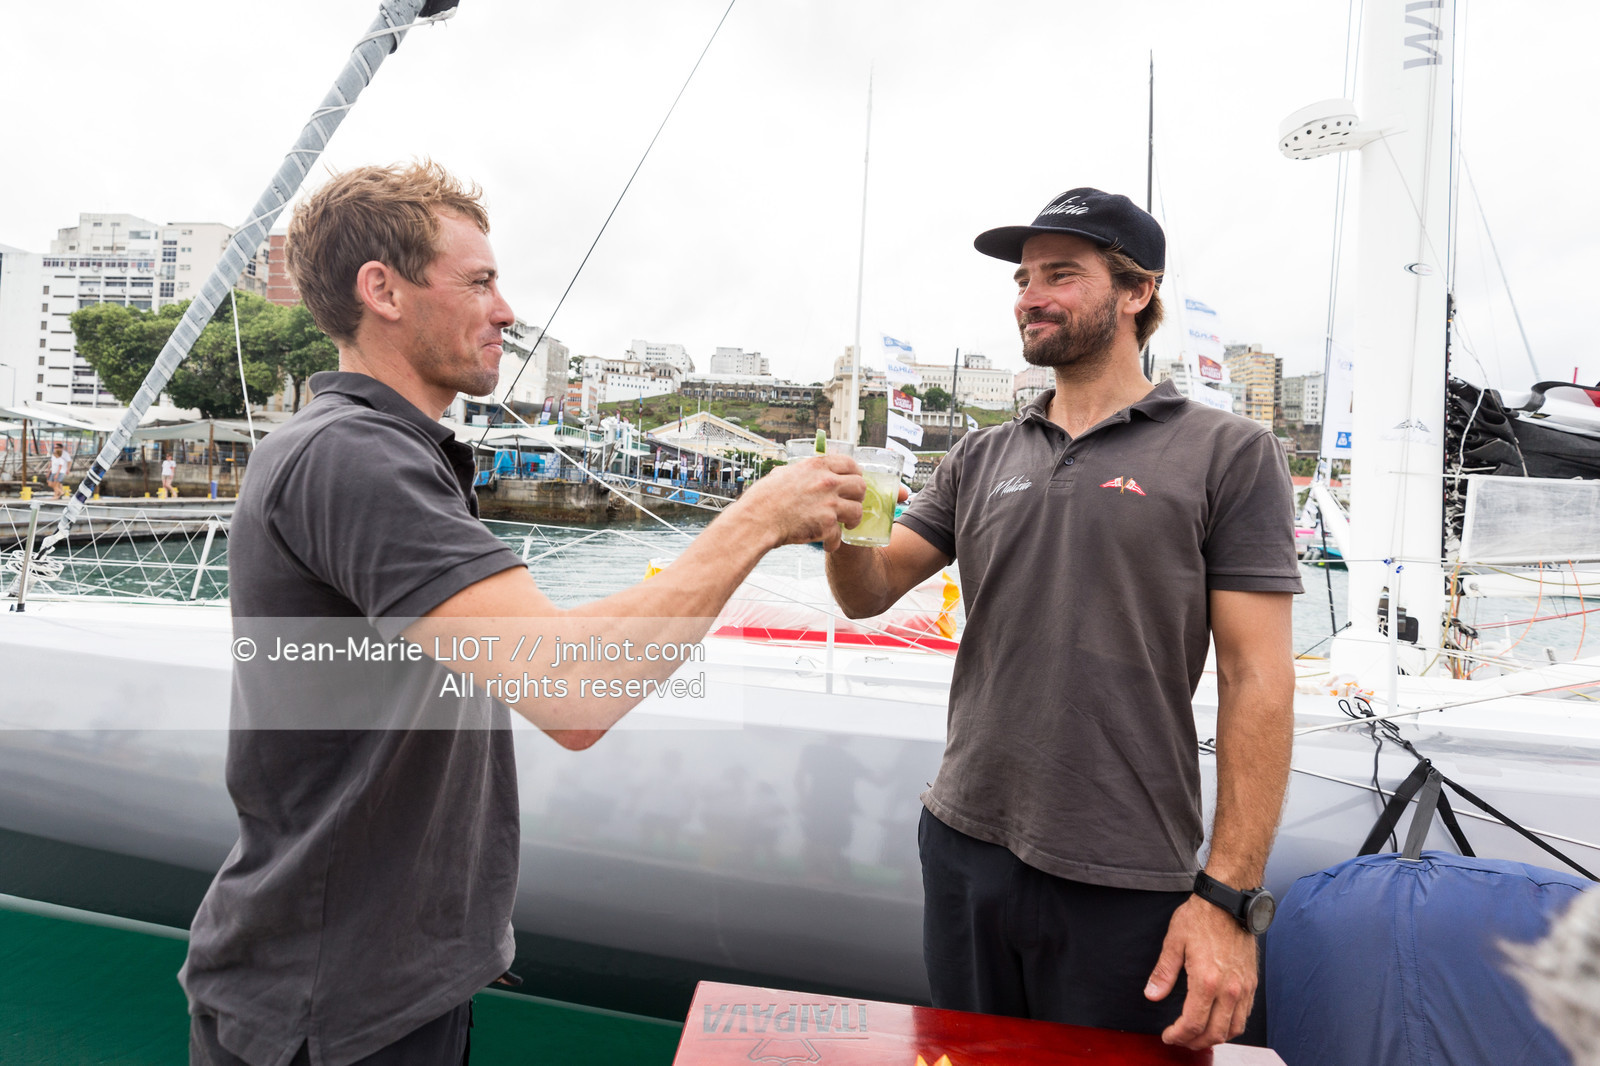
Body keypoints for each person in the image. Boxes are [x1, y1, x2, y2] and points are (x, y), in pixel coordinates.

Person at [179, 161, 866, 1066]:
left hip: (376, 986)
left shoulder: (368, 449)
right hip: (333, 1008)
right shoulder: (354, 458)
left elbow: (535, 644)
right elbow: (573, 691)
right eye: (480, 281)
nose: (506, 310)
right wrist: (757, 520)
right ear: (380, 291)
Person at [825, 188, 1301, 1050]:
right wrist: (843, 526)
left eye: (1060, 275)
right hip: (963, 843)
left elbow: (1257, 678)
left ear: (1135, 293)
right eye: (1022, 278)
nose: (1029, 296)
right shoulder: (981, 453)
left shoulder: (1230, 453)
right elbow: (870, 590)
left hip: (1125, 874)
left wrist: (1228, 899)